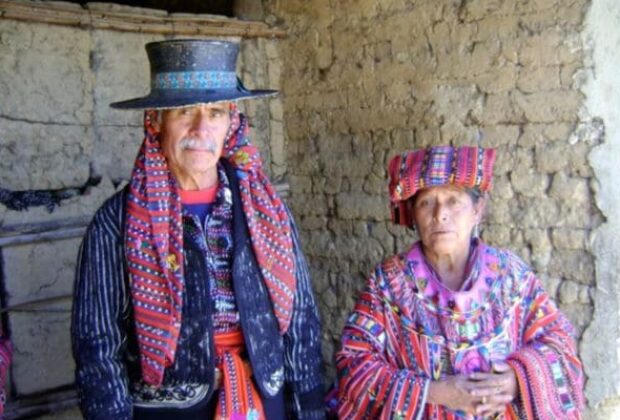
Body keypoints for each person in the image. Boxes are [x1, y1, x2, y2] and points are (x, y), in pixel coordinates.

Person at [71, 39, 324, 419]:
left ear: (231, 123)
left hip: (261, 397)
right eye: (184, 111)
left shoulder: (266, 210)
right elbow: (97, 346)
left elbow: (301, 320)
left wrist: (308, 410)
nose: (201, 128)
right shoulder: (117, 223)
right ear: (156, 121)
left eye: (215, 112)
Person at [336, 146, 585, 419]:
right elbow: (353, 364)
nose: (440, 214)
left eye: (454, 200)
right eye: (426, 202)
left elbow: (560, 345)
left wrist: (516, 379)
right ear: (413, 214)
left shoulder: (511, 277)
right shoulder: (389, 284)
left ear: (477, 209)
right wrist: (433, 392)